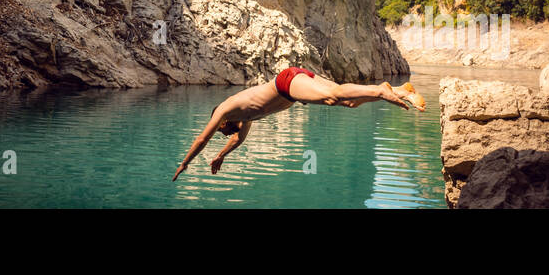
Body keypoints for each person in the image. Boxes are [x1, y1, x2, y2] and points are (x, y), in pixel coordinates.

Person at [171, 67, 425, 180]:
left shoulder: (227, 109)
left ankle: (380, 91)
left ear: (222, 122)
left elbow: (201, 138)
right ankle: (402, 90)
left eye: (222, 130)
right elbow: (239, 139)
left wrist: (185, 163)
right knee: (346, 101)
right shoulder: (243, 119)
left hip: (286, 83)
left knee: (332, 96)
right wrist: (221, 156)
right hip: (292, 90)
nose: (225, 132)